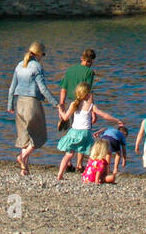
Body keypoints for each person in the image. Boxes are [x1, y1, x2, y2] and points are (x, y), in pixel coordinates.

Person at [7, 42, 59, 176]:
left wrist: (10, 104)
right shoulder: (37, 67)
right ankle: (22, 158)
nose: (43, 57)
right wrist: (55, 103)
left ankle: (24, 169)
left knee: (24, 136)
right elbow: (43, 88)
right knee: (39, 136)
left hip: (19, 103)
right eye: (43, 54)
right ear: (39, 53)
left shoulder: (19, 65)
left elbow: (12, 87)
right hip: (32, 103)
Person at [55, 83, 123, 181]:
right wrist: (116, 120)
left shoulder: (73, 104)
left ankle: (60, 175)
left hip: (74, 132)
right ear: (87, 94)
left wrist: (60, 110)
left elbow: (65, 118)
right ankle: (97, 175)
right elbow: (104, 115)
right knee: (94, 154)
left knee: (69, 155)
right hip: (85, 133)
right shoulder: (90, 106)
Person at [57, 48, 97, 127]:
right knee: (84, 129)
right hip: (83, 105)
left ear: (82, 58)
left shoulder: (70, 70)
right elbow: (88, 93)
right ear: (92, 60)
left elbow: (63, 90)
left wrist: (62, 106)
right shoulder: (89, 72)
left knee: (73, 129)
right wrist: (92, 111)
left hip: (71, 104)